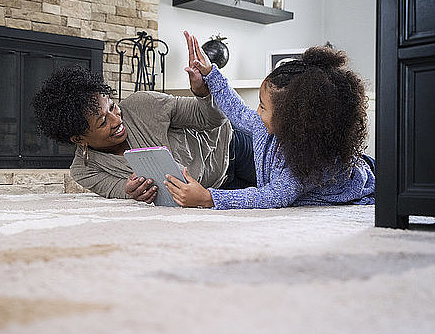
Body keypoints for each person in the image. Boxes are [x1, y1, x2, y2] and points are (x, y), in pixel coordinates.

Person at [163, 31, 375, 209]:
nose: (257, 111)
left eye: (263, 106)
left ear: (293, 119)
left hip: (363, 178)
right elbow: (237, 111)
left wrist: (209, 198)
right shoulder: (267, 125)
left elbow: (271, 196)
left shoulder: (305, 166)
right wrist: (210, 73)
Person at [31, 41, 257, 204]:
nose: (116, 119)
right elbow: (117, 189)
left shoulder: (144, 104)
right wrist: (131, 191)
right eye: (102, 122)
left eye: (112, 106)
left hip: (231, 148)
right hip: (214, 189)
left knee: (288, 185)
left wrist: (202, 92)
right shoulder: (84, 170)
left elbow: (212, 118)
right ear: (79, 138)